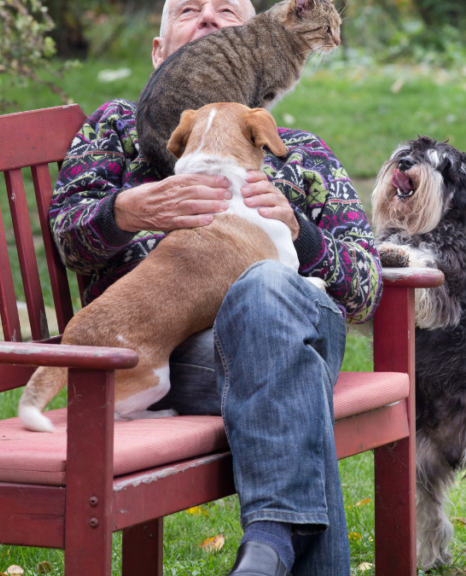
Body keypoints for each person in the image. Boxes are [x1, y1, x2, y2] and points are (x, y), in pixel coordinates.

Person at [48, 1, 382, 574]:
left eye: (226, 10)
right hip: (172, 358)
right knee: (287, 372)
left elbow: (364, 287)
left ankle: (271, 543)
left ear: (259, 43)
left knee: (263, 290)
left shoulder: (299, 152)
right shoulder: (119, 130)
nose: (207, 19)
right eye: (188, 10)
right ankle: (272, 544)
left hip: (293, 323)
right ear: (159, 53)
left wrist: (299, 235)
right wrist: (123, 211)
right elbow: (68, 238)